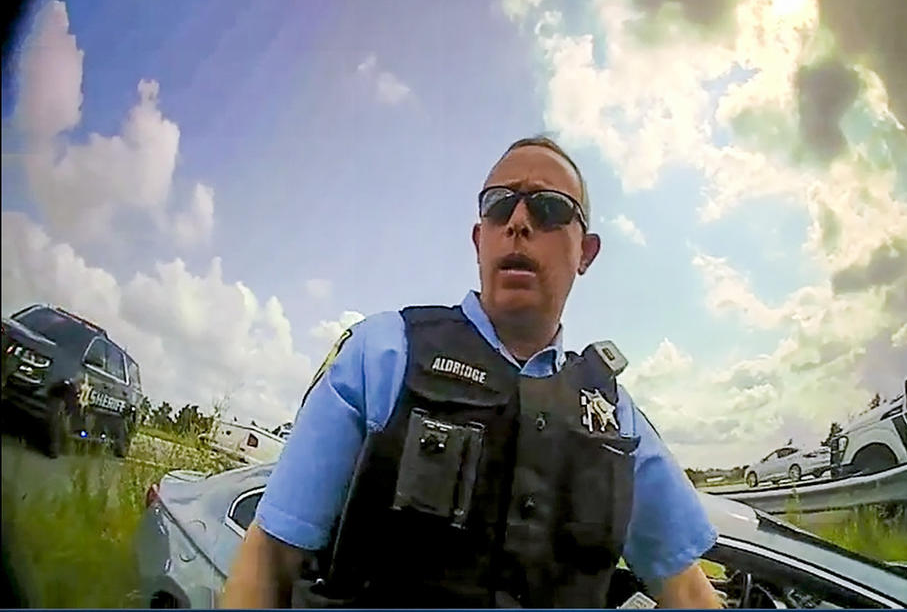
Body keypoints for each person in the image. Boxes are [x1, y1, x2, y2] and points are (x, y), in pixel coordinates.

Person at [220, 136, 721, 609]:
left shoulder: (615, 419)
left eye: (549, 208)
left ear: (585, 252)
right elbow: (269, 558)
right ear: (480, 238)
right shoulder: (383, 354)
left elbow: (690, 592)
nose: (519, 221)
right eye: (500, 204)